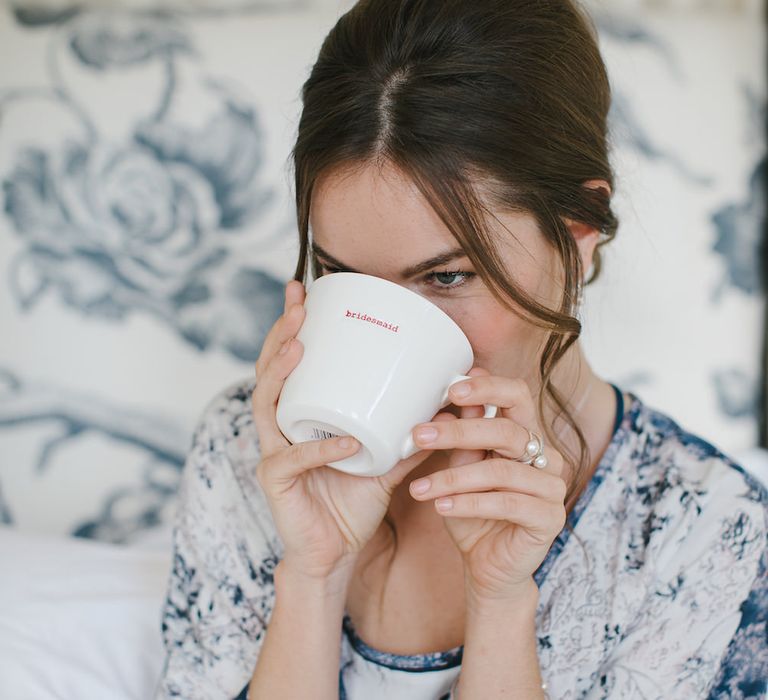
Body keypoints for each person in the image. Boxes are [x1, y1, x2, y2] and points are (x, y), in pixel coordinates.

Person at [154, 0, 768, 698]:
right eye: (343, 275)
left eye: (446, 277)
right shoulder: (251, 455)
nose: (388, 331)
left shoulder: (708, 537)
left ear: (576, 235)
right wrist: (314, 574)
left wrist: (503, 604)